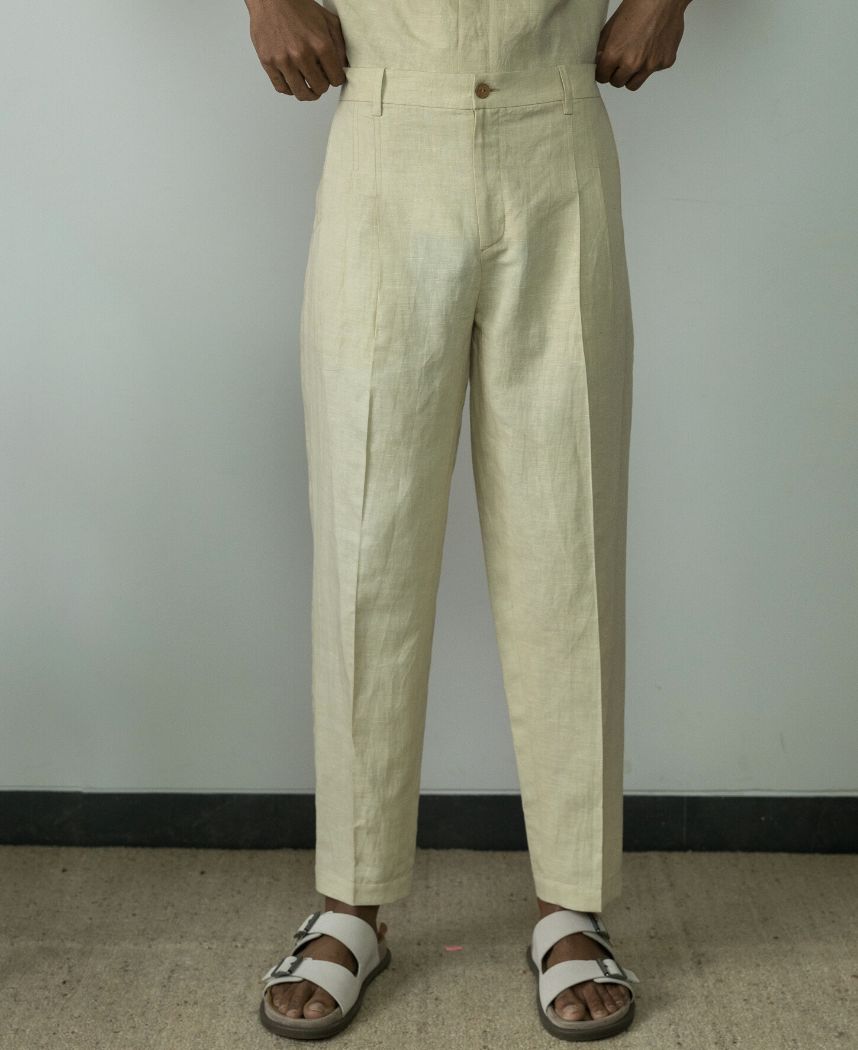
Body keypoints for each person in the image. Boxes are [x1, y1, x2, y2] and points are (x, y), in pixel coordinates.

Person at [247, 0, 691, 1040]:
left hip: (556, 119)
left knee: (568, 534)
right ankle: (351, 901)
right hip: (385, 121)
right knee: (365, 540)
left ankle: (571, 906)